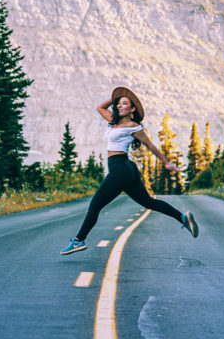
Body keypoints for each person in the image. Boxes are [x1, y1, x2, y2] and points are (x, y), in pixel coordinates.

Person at [60, 86, 199, 254]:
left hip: (121, 168)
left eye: (124, 103)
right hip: (125, 168)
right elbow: (100, 107)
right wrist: (117, 96)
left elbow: (150, 146)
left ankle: (78, 240)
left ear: (132, 108)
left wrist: (166, 163)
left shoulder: (134, 127)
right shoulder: (113, 120)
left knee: (95, 205)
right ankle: (183, 218)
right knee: (148, 202)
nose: (119, 105)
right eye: (118, 103)